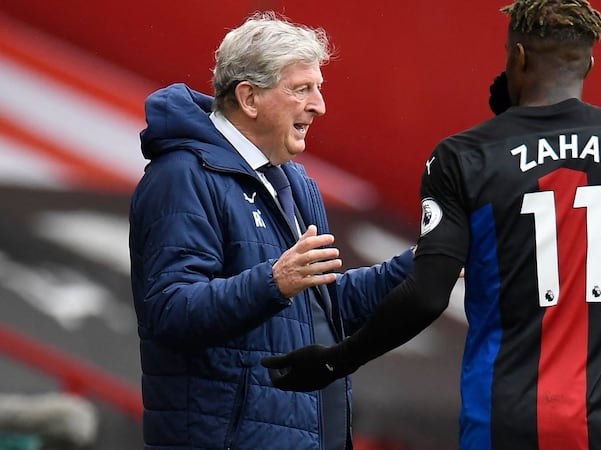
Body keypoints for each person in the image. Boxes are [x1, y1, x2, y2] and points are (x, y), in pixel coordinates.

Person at [261, 1, 601, 449]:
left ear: (518, 57)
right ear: (589, 61)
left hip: (502, 421)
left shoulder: (464, 156)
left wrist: (335, 361)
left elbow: (427, 294)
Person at [128, 11, 414, 450]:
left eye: (318, 89)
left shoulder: (295, 182)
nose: (319, 105)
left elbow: (324, 308)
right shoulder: (181, 176)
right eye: (302, 89)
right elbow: (169, 311)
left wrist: (426, 263)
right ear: (249, 98)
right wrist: (273, 282)